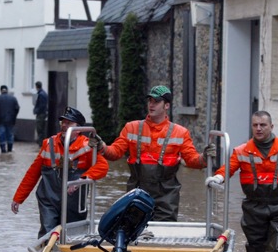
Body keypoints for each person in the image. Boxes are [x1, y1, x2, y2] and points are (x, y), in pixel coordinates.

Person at [89, 85, 215, 222]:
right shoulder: (131, 127)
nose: (151, 105)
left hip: (166, 197)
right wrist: (101, 146)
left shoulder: (180, 132)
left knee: (164, 235)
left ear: (166, 105)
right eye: (150, 101)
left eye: (156, 101)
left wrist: (204, 157)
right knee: (132, 233)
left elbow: (192, 160)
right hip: (136, 193)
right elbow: (114, 153)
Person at [205, 110, 278, 252]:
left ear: (271, 126)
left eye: (263, 125)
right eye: (255, 125)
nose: (258, 128)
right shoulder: (242, 151)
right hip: (253, 207)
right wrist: (218, 178)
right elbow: (229, 168)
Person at [11, 107, 109, 238]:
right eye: (63, 122)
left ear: (78, 129)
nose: (64, 126)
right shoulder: (49, 144)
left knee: (74, 235)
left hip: (74, 201)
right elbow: (32, 173)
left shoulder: (87, 147)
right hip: (48, 198)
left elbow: (103, 166)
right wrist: (18, 198)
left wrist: (82, 179)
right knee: (48, 232)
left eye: (69, 123)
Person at [0, 85, 20, 153]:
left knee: (1, 134)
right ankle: (10, 149)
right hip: (10, 120)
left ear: (0, 90)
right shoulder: (13, 98)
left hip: (0, 120)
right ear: (7, 90)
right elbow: (17, 108)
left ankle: (3, 149)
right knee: (10, 134)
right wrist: (14, 116)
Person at [33, 81, 48, 146]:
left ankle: (41, 143)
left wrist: (36, 111)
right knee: (41, 129)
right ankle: (41, 142)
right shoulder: (43, 93)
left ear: (36, 86)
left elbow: (41, 105)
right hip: (43, 113)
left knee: (40, 129)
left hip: (41, 114)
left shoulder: (41, 94)